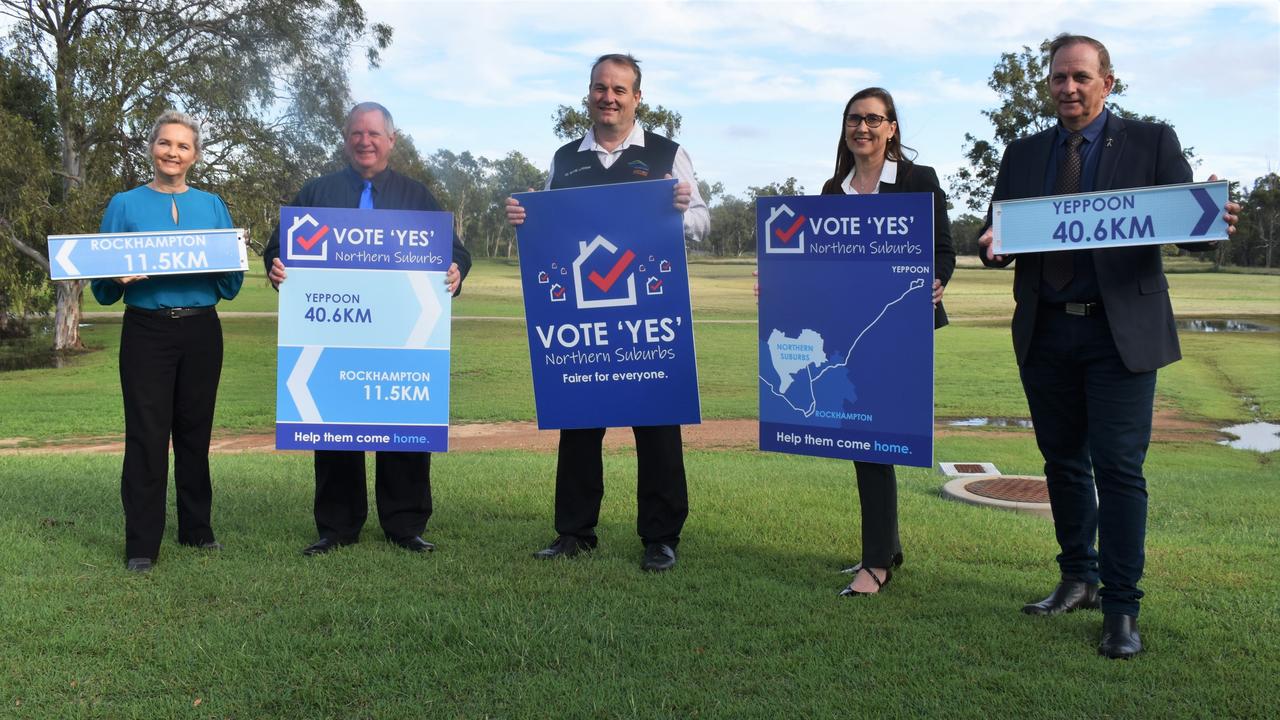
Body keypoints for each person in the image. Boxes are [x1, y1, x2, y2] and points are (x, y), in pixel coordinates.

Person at [977, 34, 1239, 658]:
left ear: (1107, 83)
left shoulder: (1151, 142)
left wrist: (1211, 218)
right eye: (1059, 78)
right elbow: (997, 235)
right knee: (1063, 461)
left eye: (1081, 77)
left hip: (1119, 333)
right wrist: (991, 246)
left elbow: (1185, 226)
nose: (1069, 88)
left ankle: (1122, 608)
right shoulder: (1023, 152)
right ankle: (1078, 578)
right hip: (1046, 328)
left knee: (1120, 470)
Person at [505, 53, 709, 572]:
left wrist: (685, 211)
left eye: (620, 89)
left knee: (657, 425)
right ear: (589, 94)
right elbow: (548, 226)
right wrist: (523, 218)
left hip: (648, 311)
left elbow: (703, 225)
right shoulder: (565, 158)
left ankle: (660, 538)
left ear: (638, 98)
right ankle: (574, 532)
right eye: (601, 87)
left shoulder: (668, 153)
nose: (609, 97)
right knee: (579, 423)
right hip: (582, 315)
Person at [263, 102, 471, 557]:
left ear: (392, 141)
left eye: (374, 134)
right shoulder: (317, 193)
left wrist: (457, 270)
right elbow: (278, 247)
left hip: (401, 337)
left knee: (403, 427)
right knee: (336, 426)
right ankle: (336, 528)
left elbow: (456, 252)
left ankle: (405, 526)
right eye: (356, 133)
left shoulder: (417, 196)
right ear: (345, 139)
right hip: (335, 332)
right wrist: (275, 266)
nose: (365, 141)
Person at [91, 111, 245, 573]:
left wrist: (217, 263)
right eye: (164, 143)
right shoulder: (124, 204)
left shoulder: (213, 205)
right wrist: (115, 276)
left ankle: (197, 530)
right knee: (147, 437)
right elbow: (102, 286)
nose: (172, 152)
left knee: (195, 433)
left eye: (182, 146)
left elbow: (231, 281)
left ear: (194, 155)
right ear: (151, 149)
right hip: (147, 331)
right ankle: (142, 543)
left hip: (201, 330)